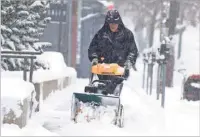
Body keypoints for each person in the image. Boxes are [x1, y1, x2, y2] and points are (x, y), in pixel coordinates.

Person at [88, 9, 138, 95]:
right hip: (103, 68)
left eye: (115, 23)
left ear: (119, 22)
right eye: (110, 23)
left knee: (112, 88)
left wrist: (129, 62)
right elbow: (93, 48)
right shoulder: (101, 34)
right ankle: (101, 100)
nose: (113, 25)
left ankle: (108, 100)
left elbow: (133, 51)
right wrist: (94, 58)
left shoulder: (127, 35)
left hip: (120, 68)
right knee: (102, 86)